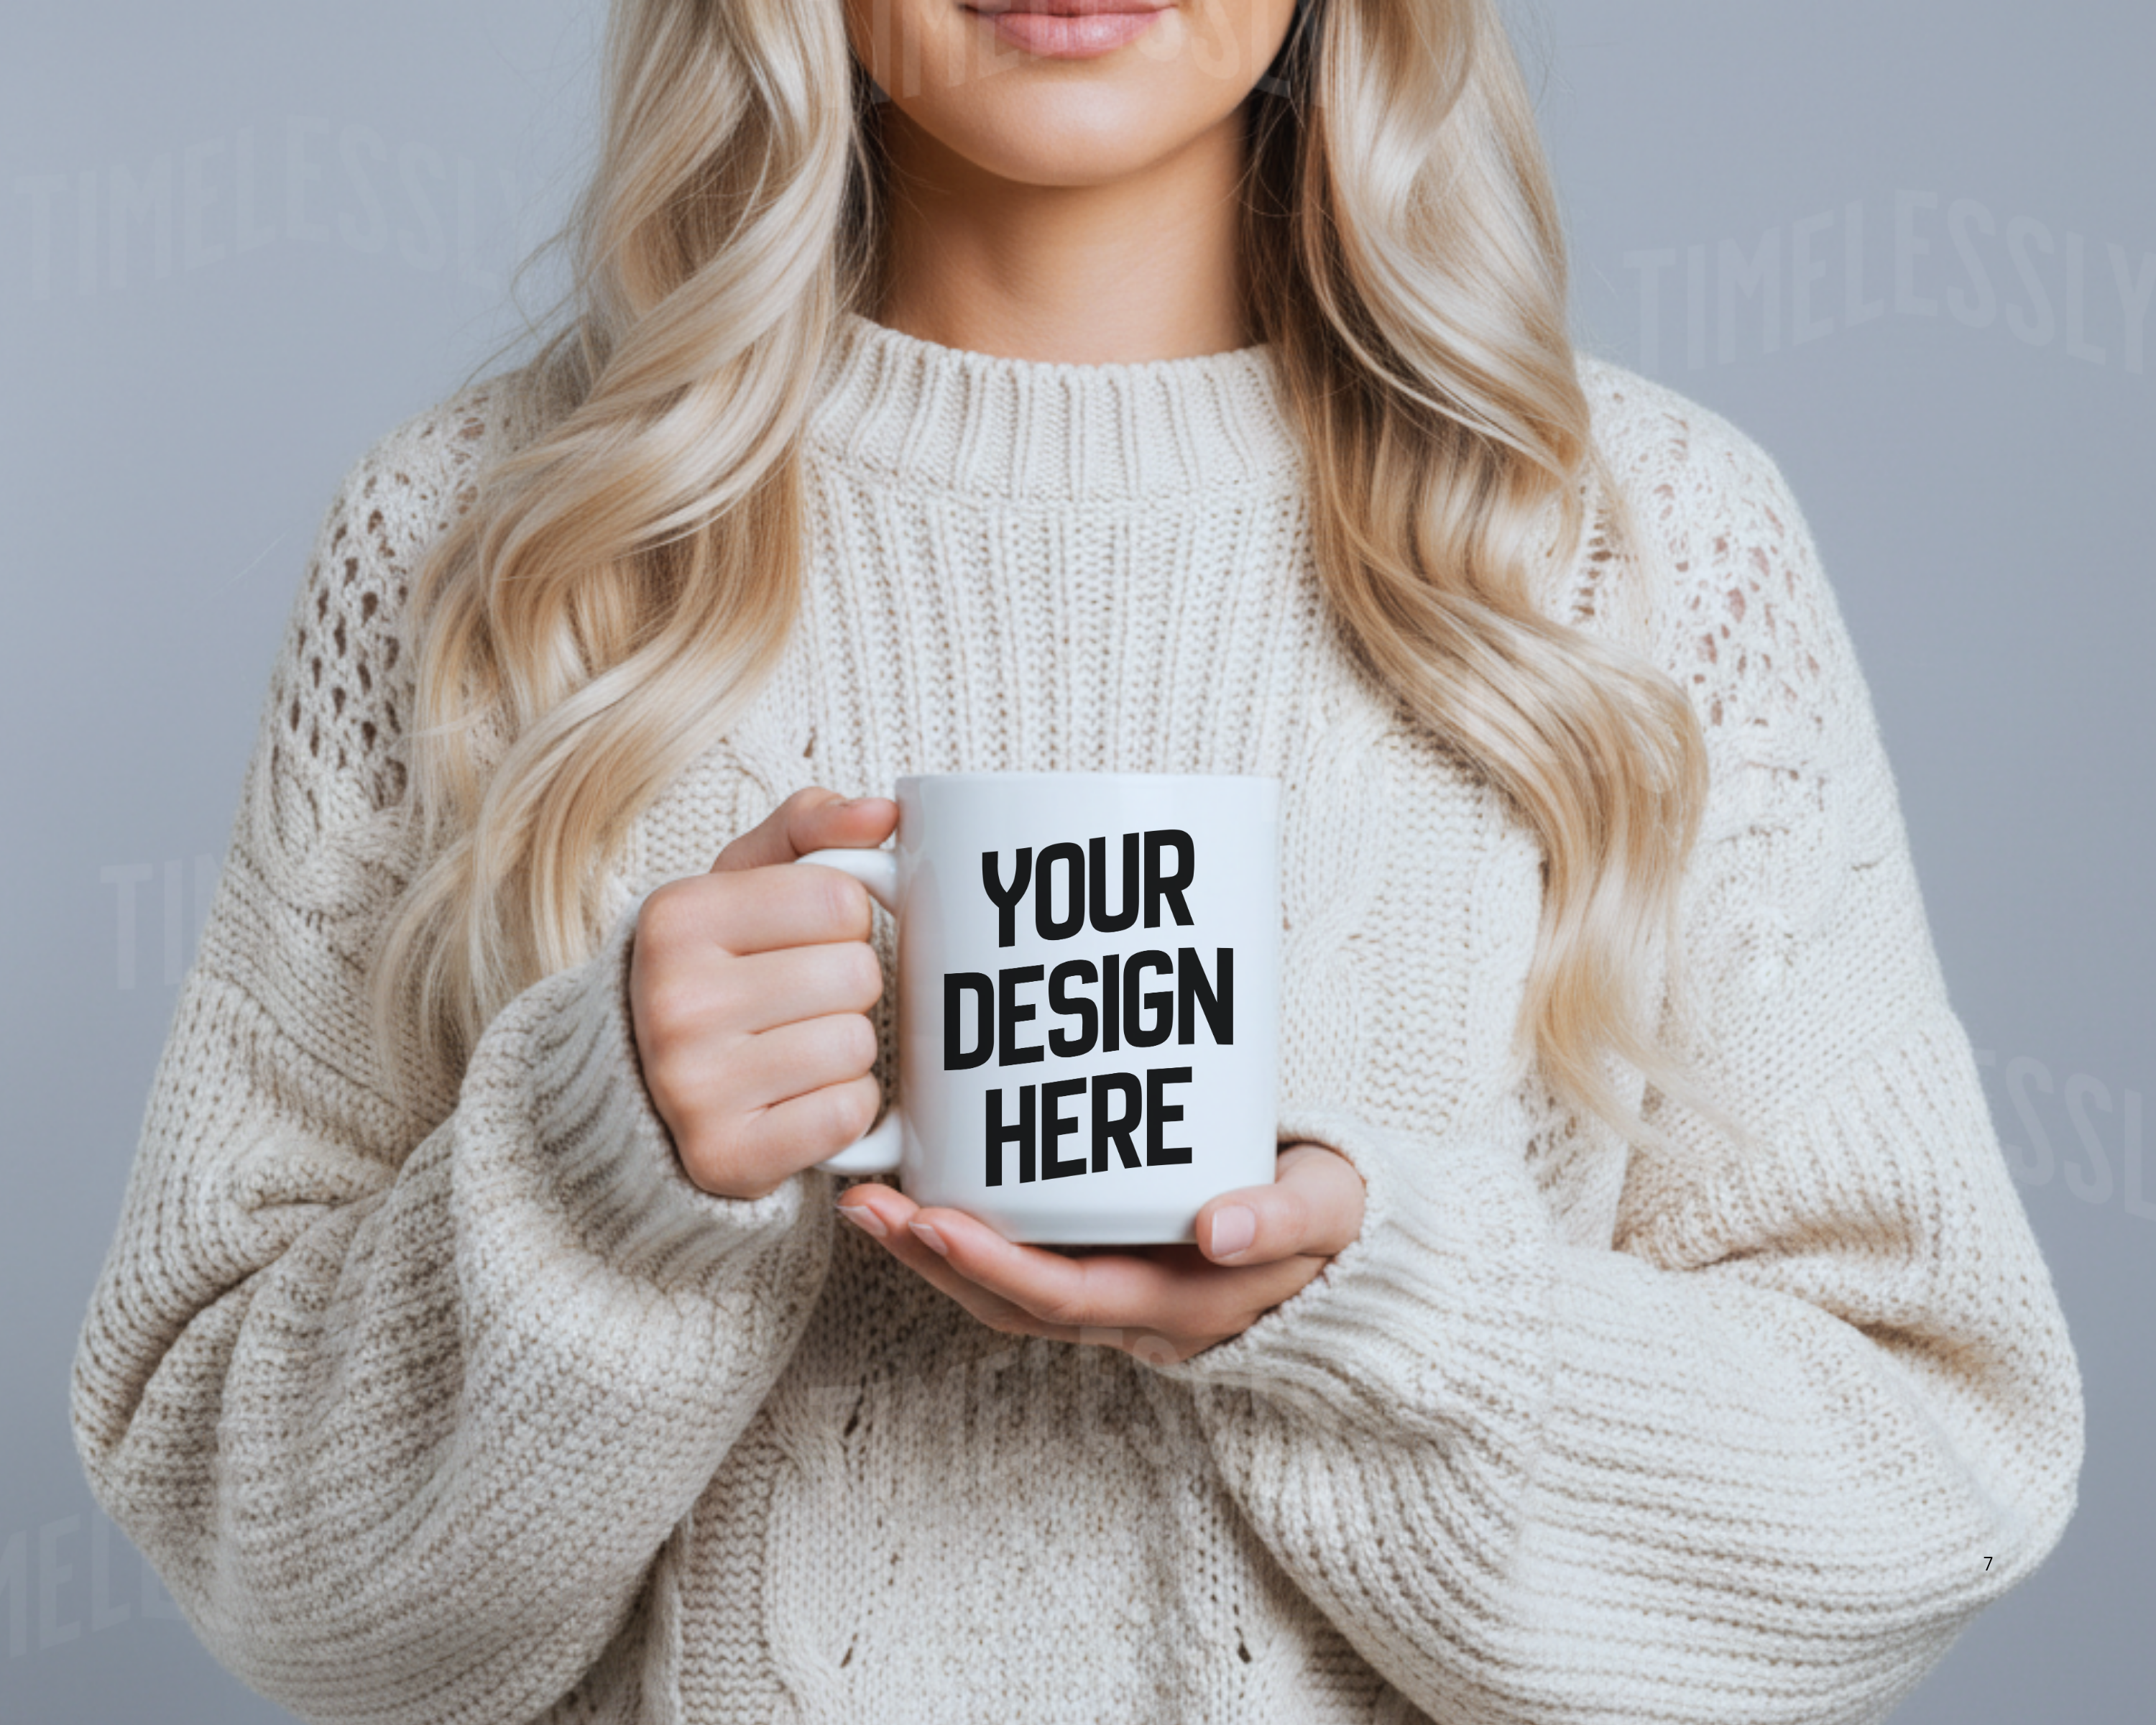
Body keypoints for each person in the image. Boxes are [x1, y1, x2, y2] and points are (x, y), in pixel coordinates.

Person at [70, 1, 2083, 1721]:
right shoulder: (481, 553)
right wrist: (604, 1178)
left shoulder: (1631, 558)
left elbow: (1927, 1479)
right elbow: (288, 1596)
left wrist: (1362, 1315)